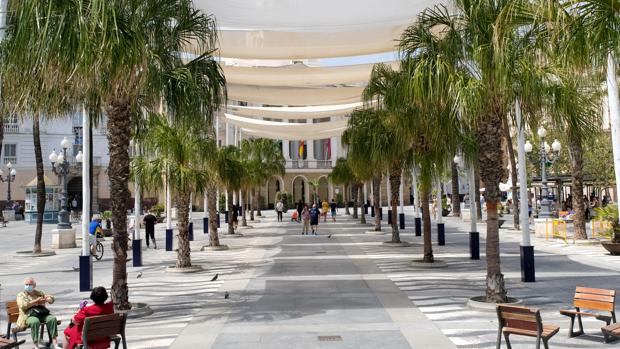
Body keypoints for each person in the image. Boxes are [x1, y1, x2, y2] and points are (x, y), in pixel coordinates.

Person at [16, 277, 59, 349]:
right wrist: (36, 302)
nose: (28, 286)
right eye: (26, 284)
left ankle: (55, 344)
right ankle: (36, 346)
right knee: (35, 322)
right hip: (29, 315)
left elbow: (51, 299)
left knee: (52, 319)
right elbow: (23, 305)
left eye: (30, 284)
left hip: (41, 314)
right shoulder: (21, 295)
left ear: (34, 285)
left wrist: (48, 299)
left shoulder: (39, 293)